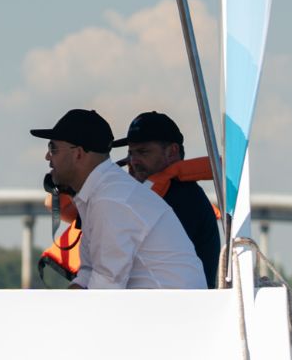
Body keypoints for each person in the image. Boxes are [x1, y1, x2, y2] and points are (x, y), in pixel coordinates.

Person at [33, 108, 205, 290]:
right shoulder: (100, 195)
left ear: (78, 154)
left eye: (53, 148)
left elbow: (106, 286)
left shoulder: (111, 199)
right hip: (160, 310)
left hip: (172, 314)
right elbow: (87, 274)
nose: (47, 157)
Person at [116, 111, 222, 288]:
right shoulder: (158, 196)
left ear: (172, 152)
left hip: (180, 310)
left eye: (143, 152)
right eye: (130, 153)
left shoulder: (185, 199)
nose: (133, 161)